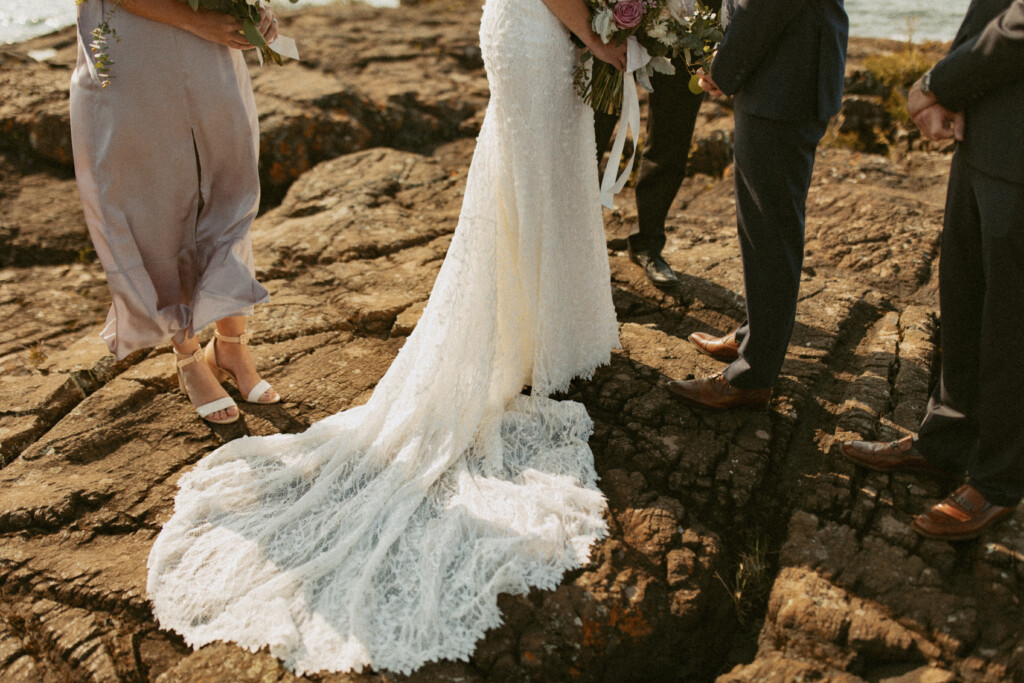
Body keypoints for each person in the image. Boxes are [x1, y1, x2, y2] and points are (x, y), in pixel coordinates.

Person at [146, 0, 626, 675]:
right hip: (541, 27)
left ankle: (539, 329)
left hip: (533, 27)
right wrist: (600, 37)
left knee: (538, 176)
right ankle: (532, 333)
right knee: (536, 174)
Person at [840, 0, 1024, 541]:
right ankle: (944, 444)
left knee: (1012, 320)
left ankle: (997, 481)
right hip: (984, 127)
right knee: (963, 298)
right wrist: (949, 90)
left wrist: (937, 82)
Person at [70, 0, 281, 426]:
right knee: (153, 198)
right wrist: (197, 20)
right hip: (131, 44)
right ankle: (186, 356)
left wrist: (256, 10)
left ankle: (230, 342)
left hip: (212, 47)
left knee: (230, 181)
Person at [666, 0, 848, 410]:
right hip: (780, 69)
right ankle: (755, 338)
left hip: (785, 76)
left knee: (771, 227)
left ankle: (753, 376)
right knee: (761, 222)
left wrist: (724, 65)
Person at [593, 0, 723, 288]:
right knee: (589, 136)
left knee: (671, 141)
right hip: (615, 19)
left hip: (689, 25)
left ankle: (648, 244)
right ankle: (575, 243)